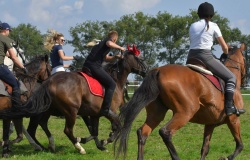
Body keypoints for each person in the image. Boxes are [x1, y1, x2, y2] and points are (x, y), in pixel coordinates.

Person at [186, 2, 240, 116]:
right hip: (205, 56)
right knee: (231, 77)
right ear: (211, 14)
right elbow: (224, 47)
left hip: (190, 56)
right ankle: (229, 107)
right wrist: (225, 53)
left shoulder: (192, 25)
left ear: (198, 14)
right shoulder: (214, 26)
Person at [82, 30, 126, 120]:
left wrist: (115, 57)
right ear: (114, 38)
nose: (115, 41)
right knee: (112, 84)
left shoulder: (101, 44)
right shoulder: (107, 41)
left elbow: (106, 58)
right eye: (116, 40)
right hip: (94, 67)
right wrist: (120, 48)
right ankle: (106, 109)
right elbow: (110, 43)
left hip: (88, 65)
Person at [0, 22, 28, 111]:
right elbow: (14, 57)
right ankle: (16, 107)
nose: (9, 32)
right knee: (16, 84)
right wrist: (23, 67)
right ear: (6, 30)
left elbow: (6, 53)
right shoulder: (5, 39)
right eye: (9, 30)